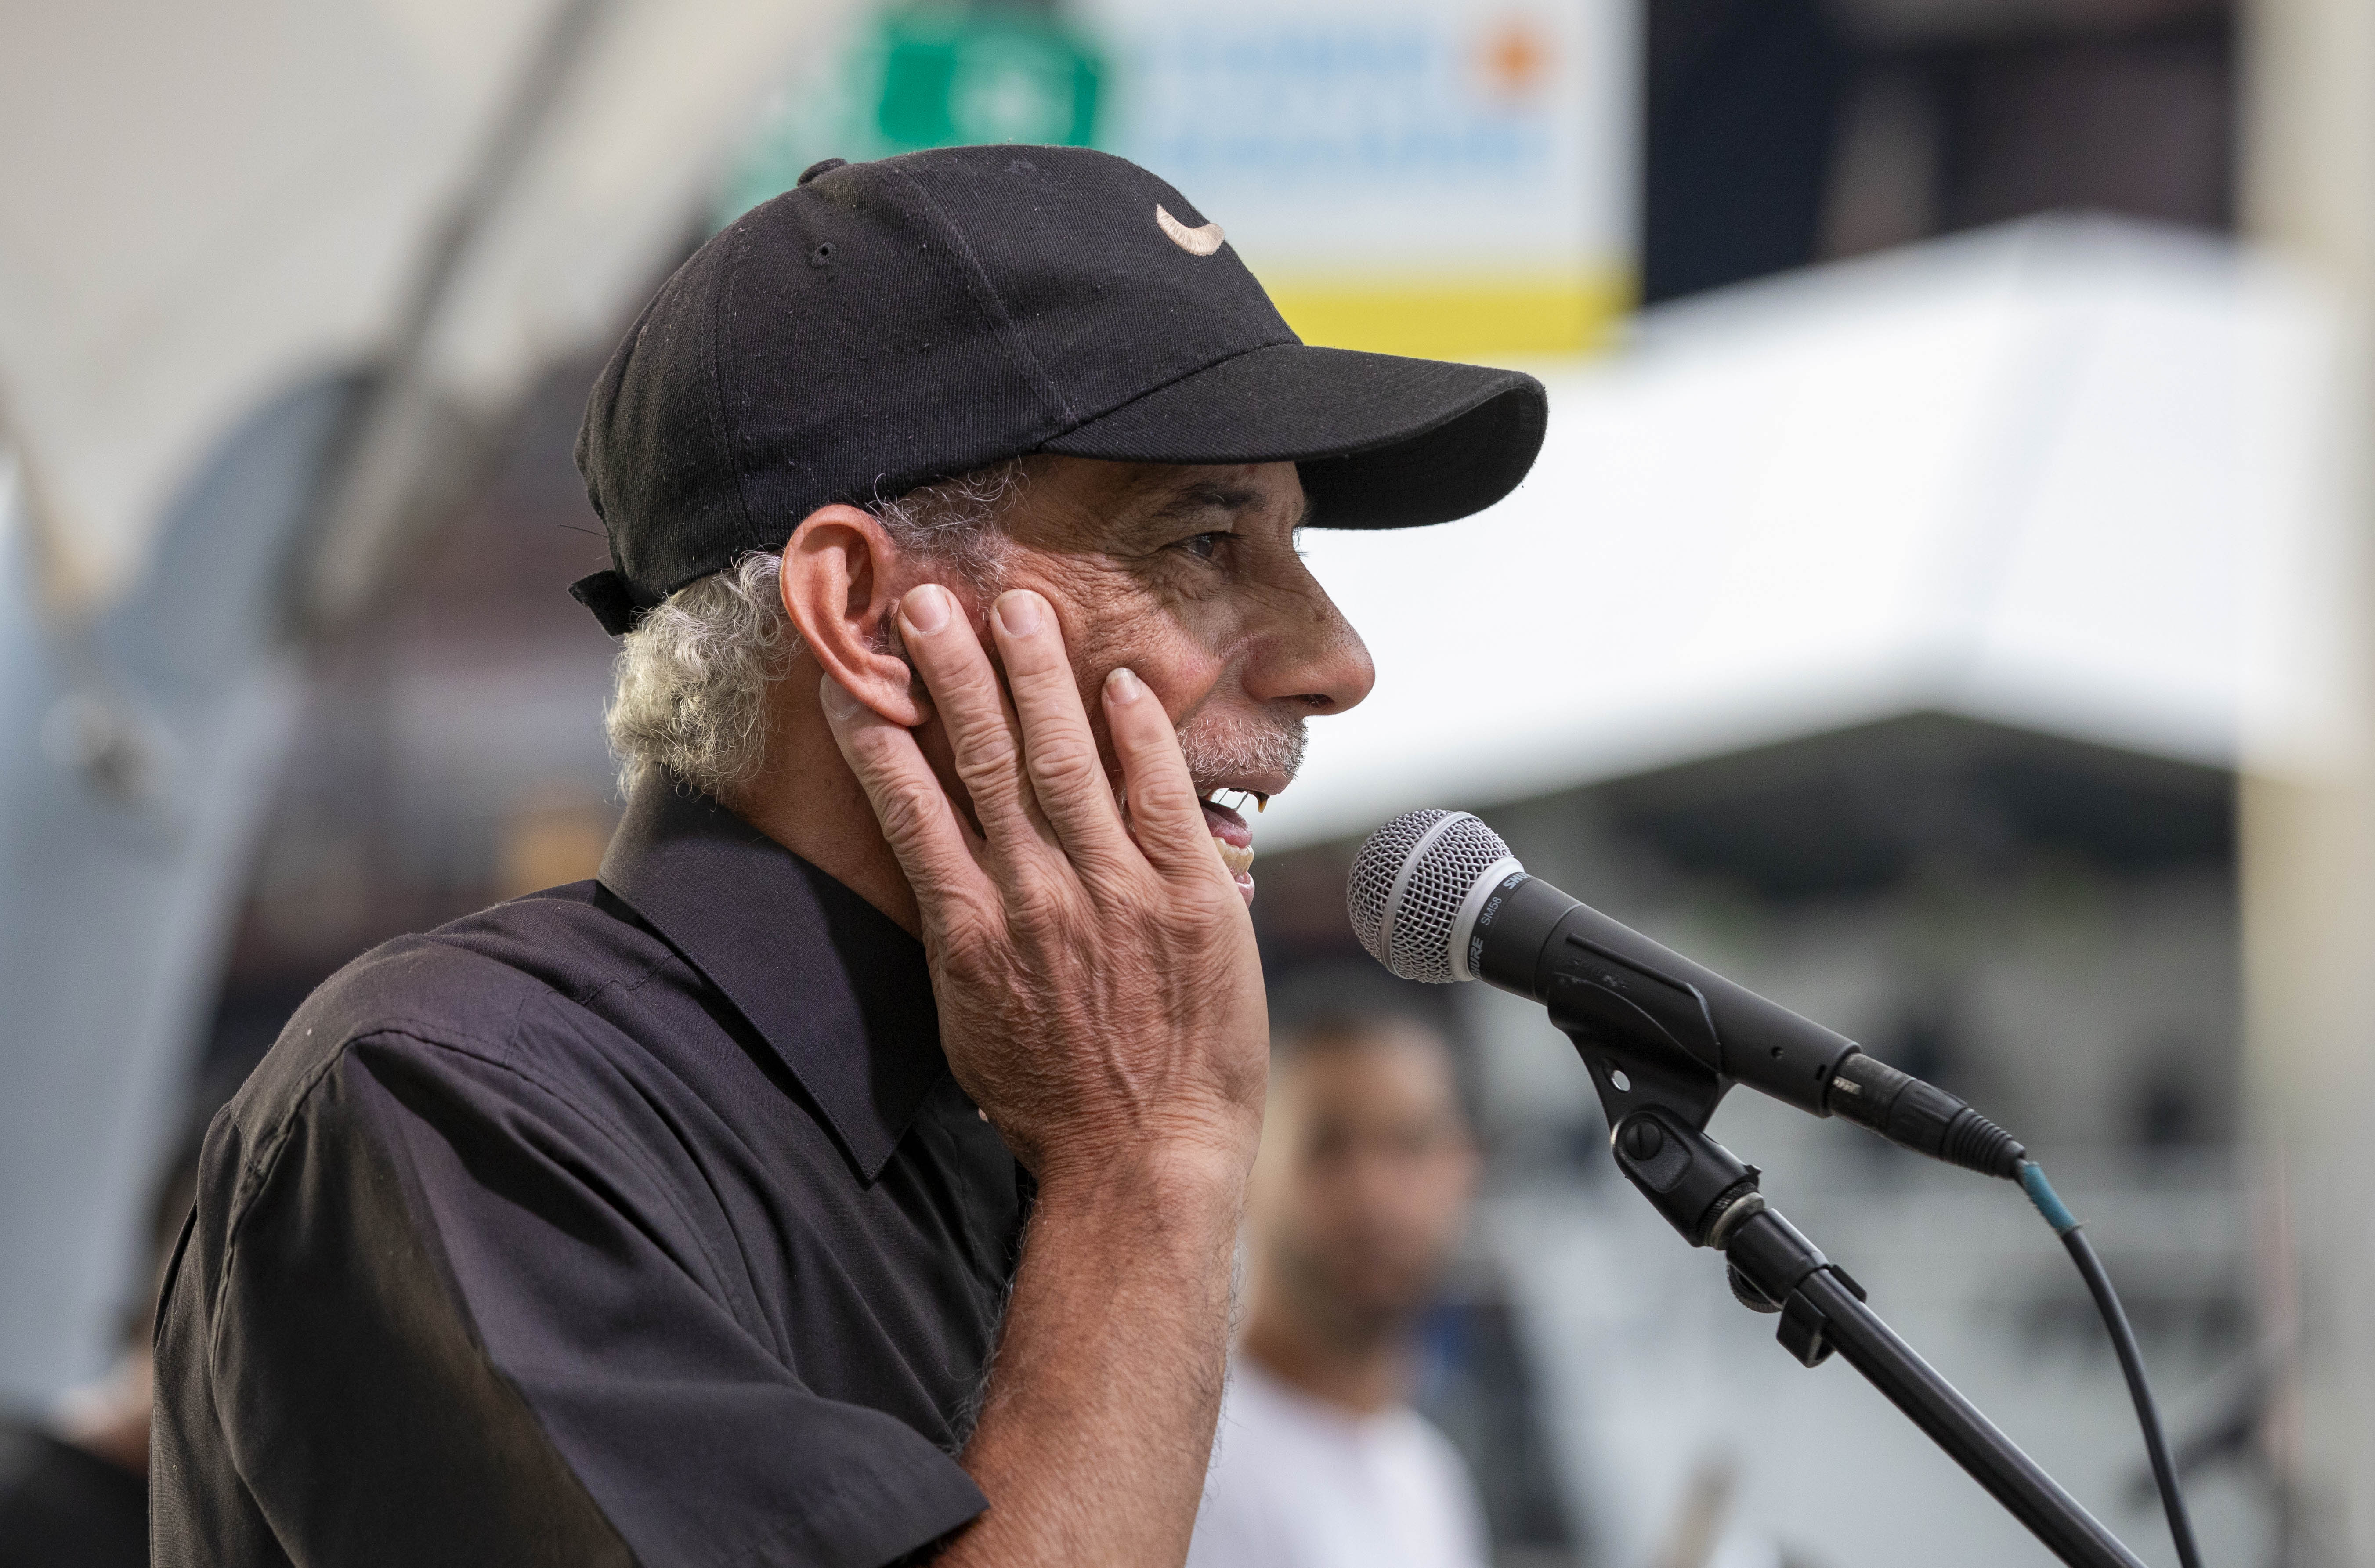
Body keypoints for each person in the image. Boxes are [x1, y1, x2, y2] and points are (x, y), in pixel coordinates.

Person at [151, 145, 1545, 1567]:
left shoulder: (1006, 1113)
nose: (1333, 659)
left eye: (1292, 546)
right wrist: (1152, 1163)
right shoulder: (442, 1100)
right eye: (1200, 540)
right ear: (866, 618)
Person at [1189, 1014, 1489, 1568]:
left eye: (1410, 1145)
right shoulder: (1191, 1469)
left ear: (1464, 1169)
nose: (1373, 1194)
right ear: (1244, 1173)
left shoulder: (1425, 1475)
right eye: (1328, 1147)